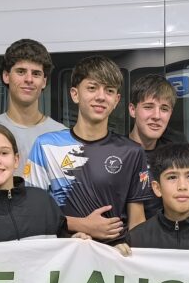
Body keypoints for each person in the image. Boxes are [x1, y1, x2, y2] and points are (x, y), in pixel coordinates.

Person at [26, 55, 151, 244]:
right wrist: (82, 225)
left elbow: (137, 222)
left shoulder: (132, 152)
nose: (101, 97)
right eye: (92, 88)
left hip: (115, 258)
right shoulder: (45, 146)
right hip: (63, 259)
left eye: (109, 90)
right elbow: (32, 214)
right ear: (75, 94)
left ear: (116, 100)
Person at [0, 39, 65, 156]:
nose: (29, 79)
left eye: (36, 74)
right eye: (21, 72)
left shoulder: (62, 135)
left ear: (44, 81)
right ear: (6, 76)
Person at [127, 74, 180, 219]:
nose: (156, 116)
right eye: (148, 107)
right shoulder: (117, 152)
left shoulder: (173, 150)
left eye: (164, 109)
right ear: (132, 110)